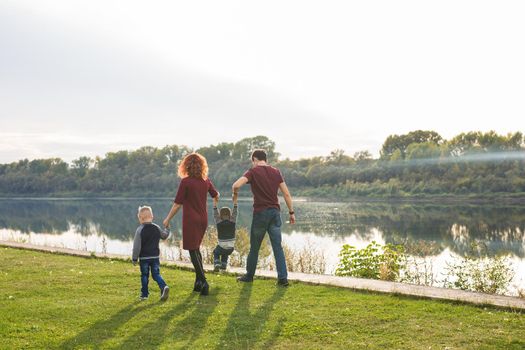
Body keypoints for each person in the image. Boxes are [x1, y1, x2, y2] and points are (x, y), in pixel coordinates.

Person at [232, 149, 295, 286]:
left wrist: (235, 195)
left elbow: (236, 185)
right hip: (274, 213)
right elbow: (286, 194)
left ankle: (249, 276)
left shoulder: (253, 172)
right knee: (278, 247)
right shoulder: (276, 172)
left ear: (254, 159)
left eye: (252, 161)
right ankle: (283, 279)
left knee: (255, 247)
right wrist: (291, 212)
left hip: (261, 213)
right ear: (265, 159)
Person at [163, 153, 219, 296]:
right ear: (201, 166)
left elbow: (177, 204)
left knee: (192, 250)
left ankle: (204, 282)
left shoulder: (186, 182)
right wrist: (213, 204)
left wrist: (167, 219)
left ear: (186, 166)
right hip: (203, 219)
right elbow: (216, 194)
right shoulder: (206, 181)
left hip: (190, 220)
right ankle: (198, 283)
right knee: (196, 249)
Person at [132, 205, 170, 301]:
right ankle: (164, 286)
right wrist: (167, 229)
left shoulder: (139, 230)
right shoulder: (156, 227)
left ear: (140, 218)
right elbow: (164, 236)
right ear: (152, 217)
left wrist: (134, 258)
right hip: (155, 257)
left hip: (144, 258)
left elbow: (136, 246)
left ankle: (144, 294)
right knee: (156, 274)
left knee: (145, 275)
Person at [212, 191, 238, 272]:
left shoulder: (219, 222)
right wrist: (235, 202)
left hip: (222, 245)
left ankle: (216, 263)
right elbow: (235, 213)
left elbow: (215, 214)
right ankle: (223, 265)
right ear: (229, 214)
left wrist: (215, 203)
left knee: (216, 252)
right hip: (231, 248)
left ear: (220, 215)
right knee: (225, 252)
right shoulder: (232, 221)